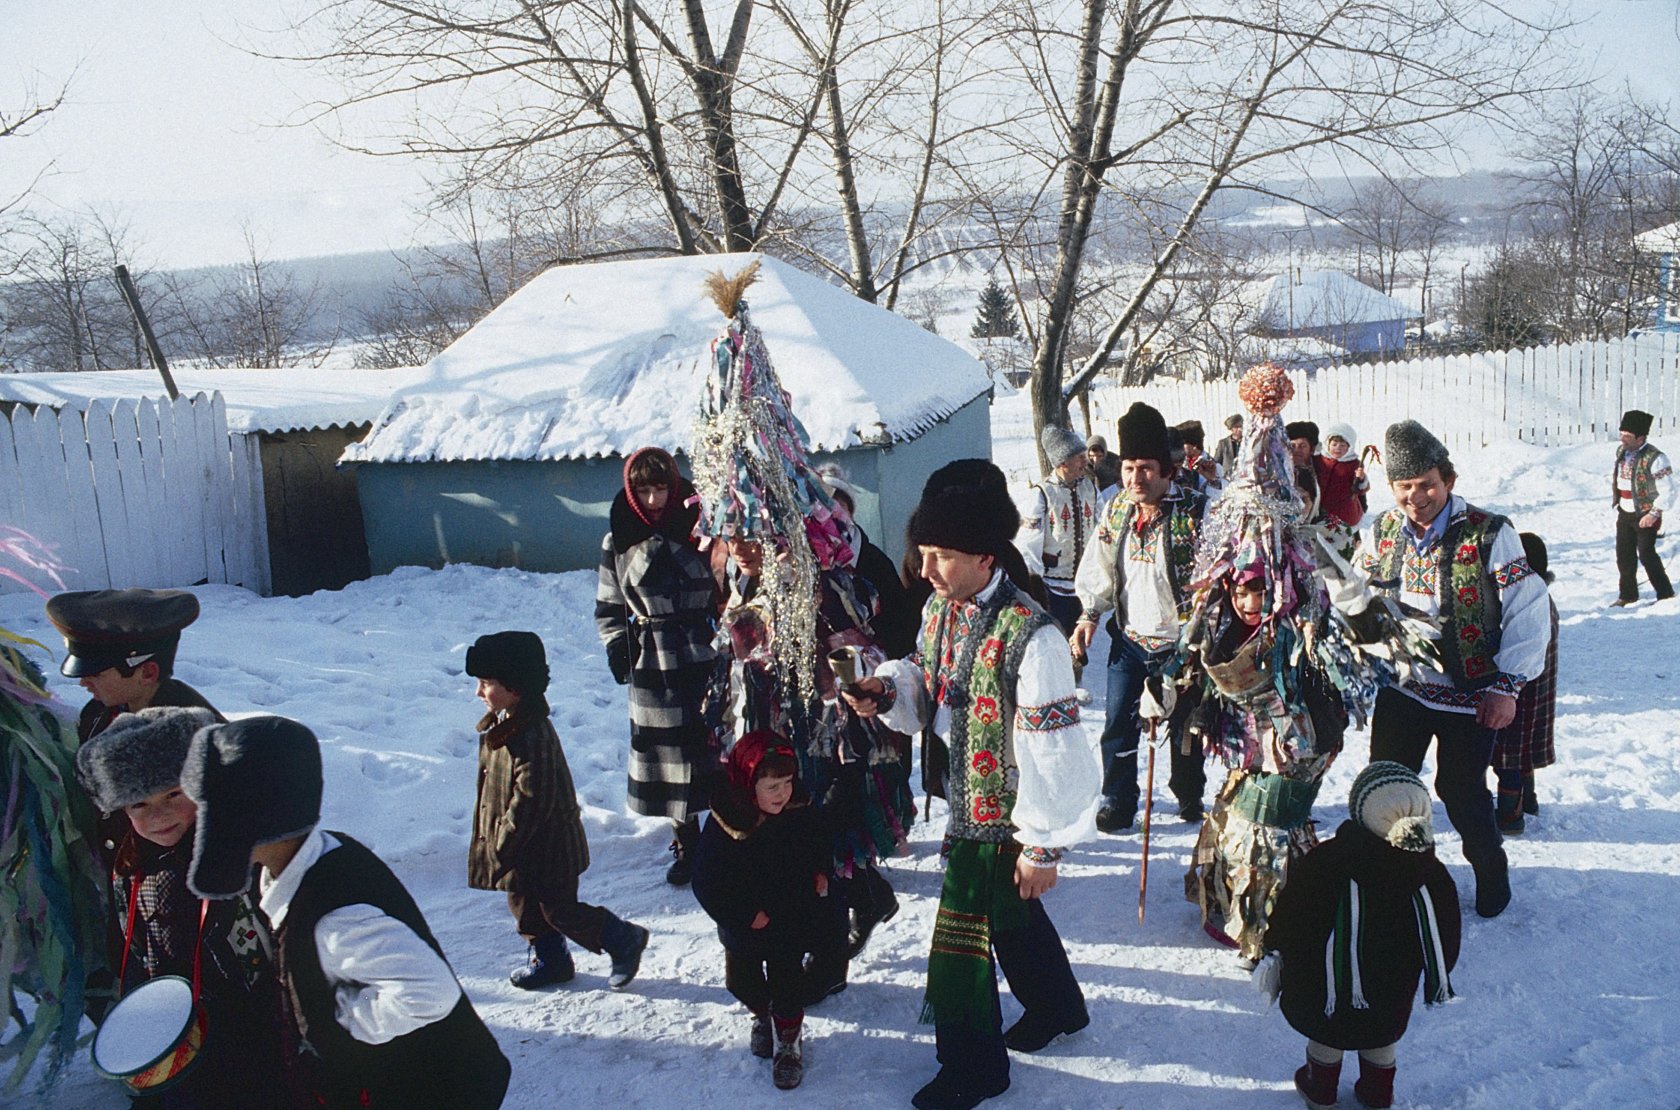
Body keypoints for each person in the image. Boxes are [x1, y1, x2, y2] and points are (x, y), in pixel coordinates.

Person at [846, 479, 1100, 1110]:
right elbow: (927, 687)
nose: (925, 568)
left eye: (942, 554)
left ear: (987, 555)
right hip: (965, 800)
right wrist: (886, 690)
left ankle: (973, 1068)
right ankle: (1058, 1009)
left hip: (1009, 813)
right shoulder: (940, 611)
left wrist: (1042, 845)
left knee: (959, 942)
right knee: (1012, 916)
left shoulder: (1033, 636)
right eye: (923, 550)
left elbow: (1057, 752)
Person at [181, 715, 511, 1109]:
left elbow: (428, 993)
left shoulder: (335, 918)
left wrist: (340, 1019)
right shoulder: (315, 856)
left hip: (430, 1088)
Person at [1341, 419, 1550, 918]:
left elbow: (1528, 609)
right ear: (1392, 488)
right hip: (1405, 689)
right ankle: (1392, 876)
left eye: (1427, 484)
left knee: (1460, 792)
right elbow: (1358, 596)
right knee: (1388, 785)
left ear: (1448, 480)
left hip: (1470, 693)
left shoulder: (1490, 533)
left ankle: (1490, 870)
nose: (1417, 497)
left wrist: (1507, 687)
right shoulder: (1382, 532)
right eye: (1405, 487)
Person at [75, 707, 287, 1109]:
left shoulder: (241, 860)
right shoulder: (131, 867)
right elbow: (136, 949)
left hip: (256, 1031)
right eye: (138, 805)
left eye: (174, 794)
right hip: (179, 1034)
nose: (158, 816)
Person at [1266, 762, 1461, 1110]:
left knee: (1328, 1031)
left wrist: (1276, 945)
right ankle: (1377, 1092)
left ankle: (1319, 1088)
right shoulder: (1430, 872)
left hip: (1328, 982)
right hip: (1393, 984)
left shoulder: (1327, 861)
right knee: (1379, 1035)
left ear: (1363, 811)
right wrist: (1439, 965)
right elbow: (1446, 928)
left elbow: (1295, 911)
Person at [464, 631, 649, 991]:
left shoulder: (533, 735)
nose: (478, 692)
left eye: (486, 683)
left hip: (548, 847)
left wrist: (503, 841)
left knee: (559, 910)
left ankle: (622, 938)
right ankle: (552, 960)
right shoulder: (504, 725)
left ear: (515, 688)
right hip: (521, 847)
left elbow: (531, 799)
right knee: (524, 906)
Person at [1073, 401, 1210, 832]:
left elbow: (1218, 578)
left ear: (1167, 469)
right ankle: (1118, 798)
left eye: (1146, 468)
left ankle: (1188, 793)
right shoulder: (1116, 511)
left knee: (1187, 732)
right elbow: (1098, 565)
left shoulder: (1198, 511)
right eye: (1129, 468)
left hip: (1182, 645)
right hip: (1130, 641)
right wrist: (1089, 613)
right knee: (1117, 726)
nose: (1136, 478)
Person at [690, 730, 848, 1091]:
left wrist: (821, 871)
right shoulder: (728, 820)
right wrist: (743, 915)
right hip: (744, 921)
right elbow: (707, 882)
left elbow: (817, 840)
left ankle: (788, 1042)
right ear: (749, 783)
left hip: (789, 914)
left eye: (787, 783)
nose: (783, 794)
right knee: (741, 981)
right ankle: (762, 1014)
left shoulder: (798, 808)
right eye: (772, 786)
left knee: (787, 982)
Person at [596, 445, 721, 885]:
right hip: (652, 658)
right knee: (668, 755)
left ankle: (725, 836)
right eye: (644, 490)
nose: (654, 500)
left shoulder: (702, 524)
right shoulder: (619, 539)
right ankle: (686, 840)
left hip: (704, 649)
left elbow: (725, 590)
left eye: (661, 489)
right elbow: (609, 607)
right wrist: (618, 647)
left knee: (714, 745)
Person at [45, 588, 225, 746]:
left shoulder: (194, 737)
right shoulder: (99, 712)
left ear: (147, 673)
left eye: (97, 674)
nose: (83, 683)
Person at [1491, 533, 1558, 834]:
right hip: (1537, 690)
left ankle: (1510, 813)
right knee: (1522, 748)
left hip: (1518, 691)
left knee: (1507, 753)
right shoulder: (1544, 599)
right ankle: (1527, 798)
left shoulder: (1528, 606)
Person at [1019, 425, 1103, 637]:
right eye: (1079, 457)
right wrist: (1035, 589)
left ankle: (1077, 670)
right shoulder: (1042, 494)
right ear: (1063, 462)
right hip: (1054, 589)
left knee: (1079, 647)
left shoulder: (1090, 488)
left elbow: (1103, 528)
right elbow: (1030, 544)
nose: (1085, 462)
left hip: (1084, 586)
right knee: (1057, 642)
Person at [1611, 408, 1675, 606]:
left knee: (1646, 554)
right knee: (1624, 556)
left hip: (1646, 513)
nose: (1623, 439)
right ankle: (1628, 595)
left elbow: (1669, 489)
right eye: (1622, 435)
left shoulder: (1656, 458)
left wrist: (1654, 513)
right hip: (1625, 511)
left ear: (1641, 438)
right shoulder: (1622, 452)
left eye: (1628, 436)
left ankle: (1665, 594)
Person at [1314, 423, 1371, 528]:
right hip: (1321, 508)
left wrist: (1361, 479)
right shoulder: (1320, 460)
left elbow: (1360, 490)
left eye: (1342, 445)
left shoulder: (1353, 464)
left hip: (1344, 511)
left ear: (1349, 447)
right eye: (1334, 444)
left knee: (1341, 533)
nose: (1337, 448)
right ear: (1328, 444)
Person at [1285, 421, 1322, 520]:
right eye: (1292, 446)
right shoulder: (1280, 473)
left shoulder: (1320, 470)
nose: (1297, 450)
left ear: (1311, 449)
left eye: (1303, 446)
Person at [1085, 433, 1122, 500]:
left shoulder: (1114, 462)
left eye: (1099, 456)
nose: (1095, 460)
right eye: (1092, 456)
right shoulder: (1081, 465)